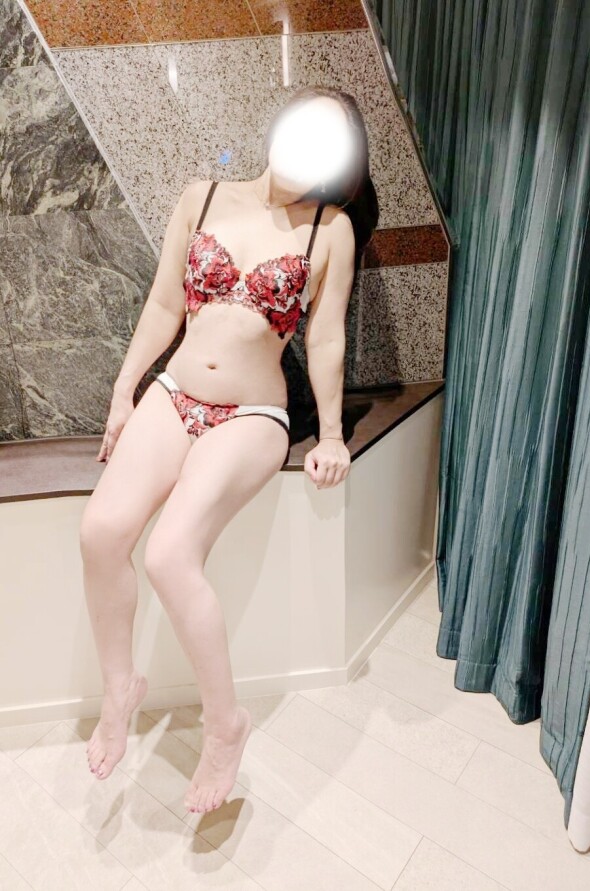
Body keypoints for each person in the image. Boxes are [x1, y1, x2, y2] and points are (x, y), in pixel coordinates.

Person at [78, 86, 378, 817]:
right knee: (101, 532)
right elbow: (163, 305)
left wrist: (331, 434)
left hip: (251, 414)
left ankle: (225, 725)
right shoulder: (202, 196)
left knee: (168, 554)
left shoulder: (330, 229)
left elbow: (325, 338)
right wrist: (123, 392)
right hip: (172, 393)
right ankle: (120, 686)